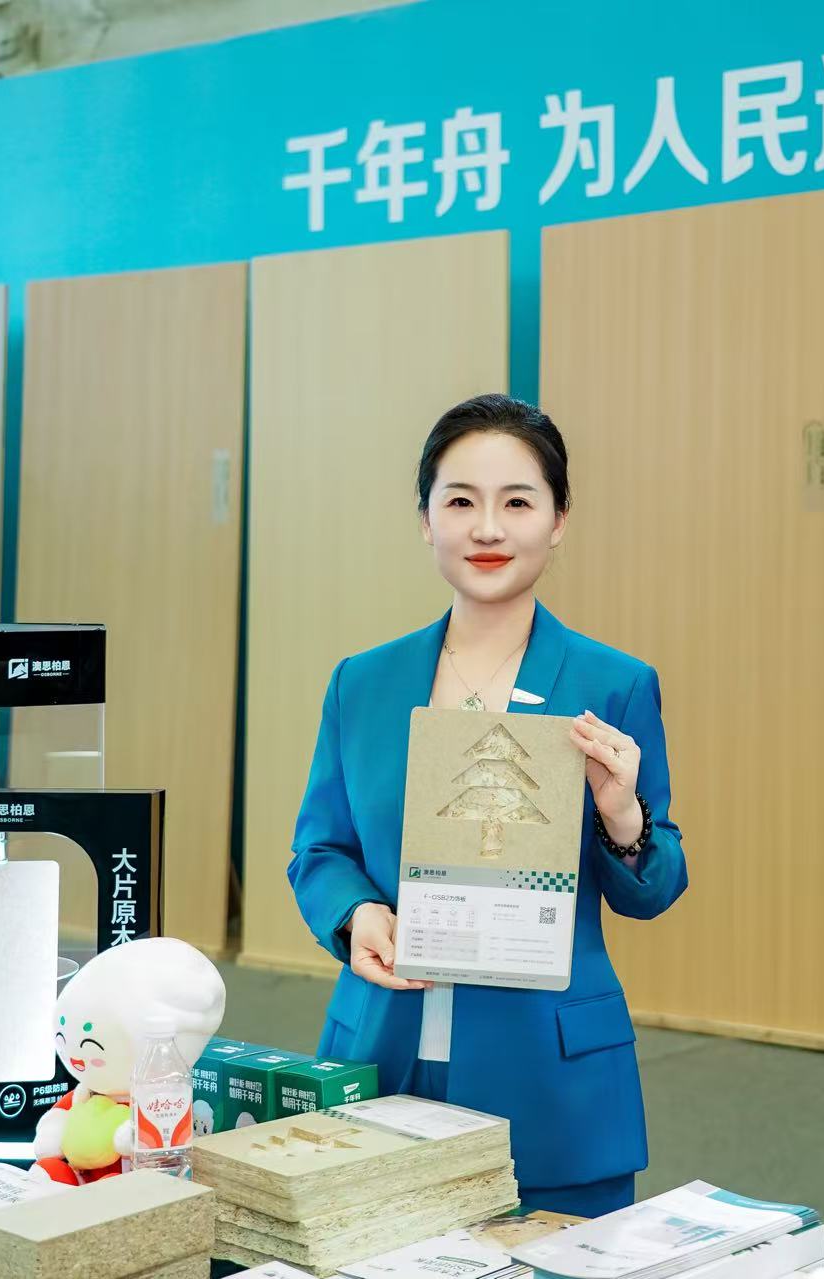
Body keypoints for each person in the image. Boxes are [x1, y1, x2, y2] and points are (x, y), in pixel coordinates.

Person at [288, 393, 688, 1218]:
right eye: (461, 501)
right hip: (383, 1047)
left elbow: (654, 886)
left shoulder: (612, 682)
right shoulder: (363, 682)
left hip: (549, 1073)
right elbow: (320, 850)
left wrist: (622, 817)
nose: (487, 528)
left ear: (559, 518)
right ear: (425, 518)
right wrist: (356, 915)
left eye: (517, 502)